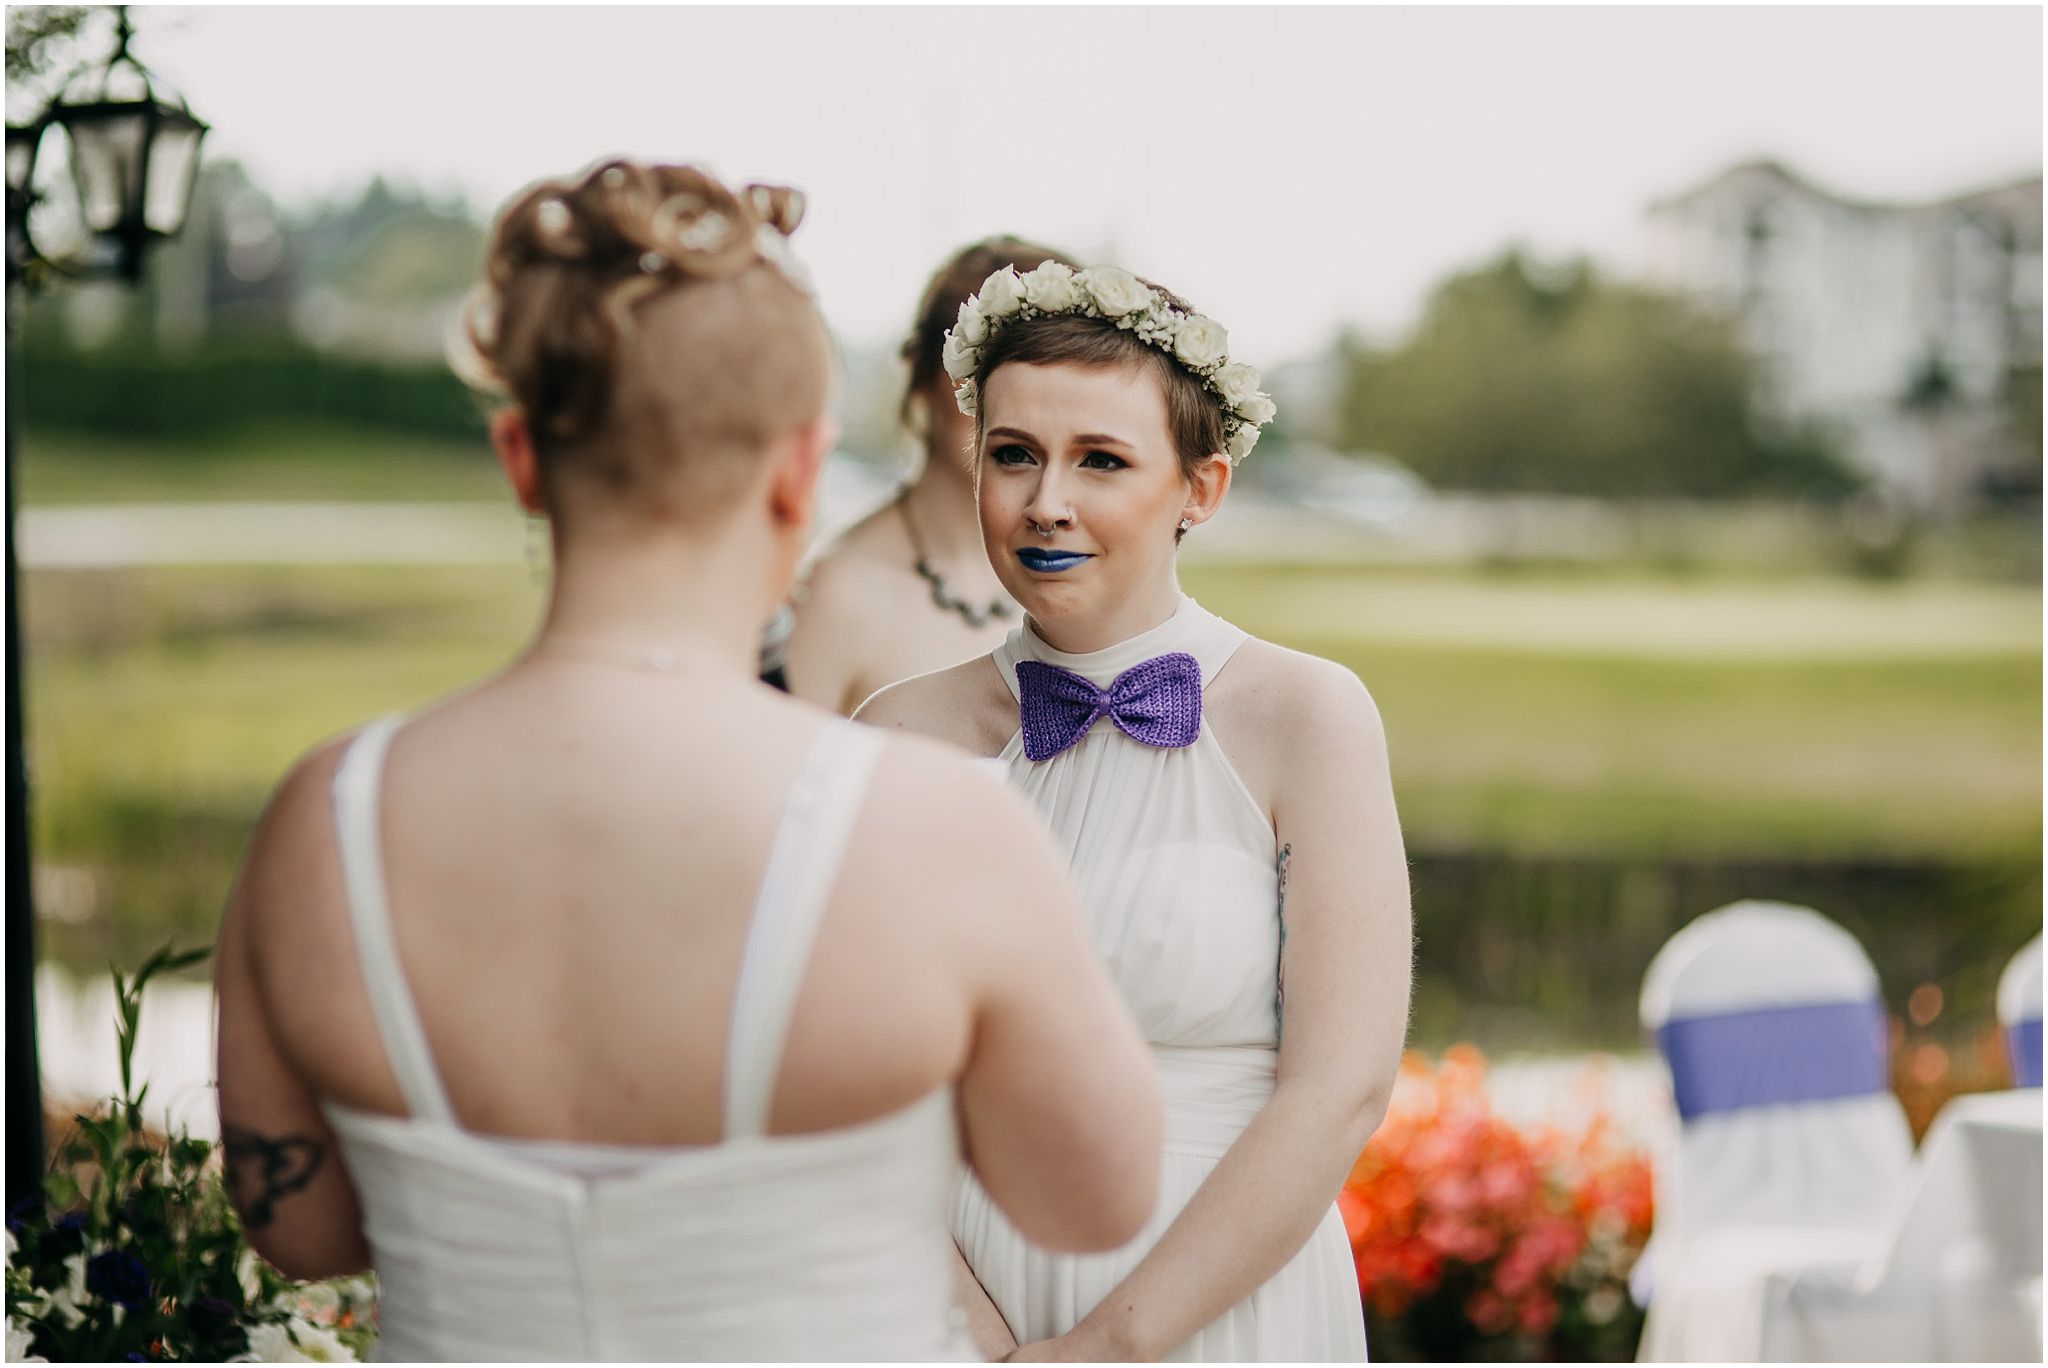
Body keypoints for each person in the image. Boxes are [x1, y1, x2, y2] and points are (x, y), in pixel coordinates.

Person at [213, 161, 1162, 1362]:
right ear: (797, 474)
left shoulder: (327, 820)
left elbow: (297, 1227)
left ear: (520, 456)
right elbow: (1093, 1199)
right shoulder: (925, 831)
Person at [859, 260, 1412, 1361]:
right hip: (949, 1316)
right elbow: (862, 1096)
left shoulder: (1305, 717)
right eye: (1011, 454)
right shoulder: (894, 738)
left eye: (1099, 461)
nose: (1043, 502)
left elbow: (1337, 1089)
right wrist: (981, 1341)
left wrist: (1108, 1349)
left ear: (1198, 490)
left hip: (1220, 1307)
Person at [768, 237, 1077, 713]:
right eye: (982, 371)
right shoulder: (841, 593)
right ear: (920, 373)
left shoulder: (1079, 571)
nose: (1022, 407)